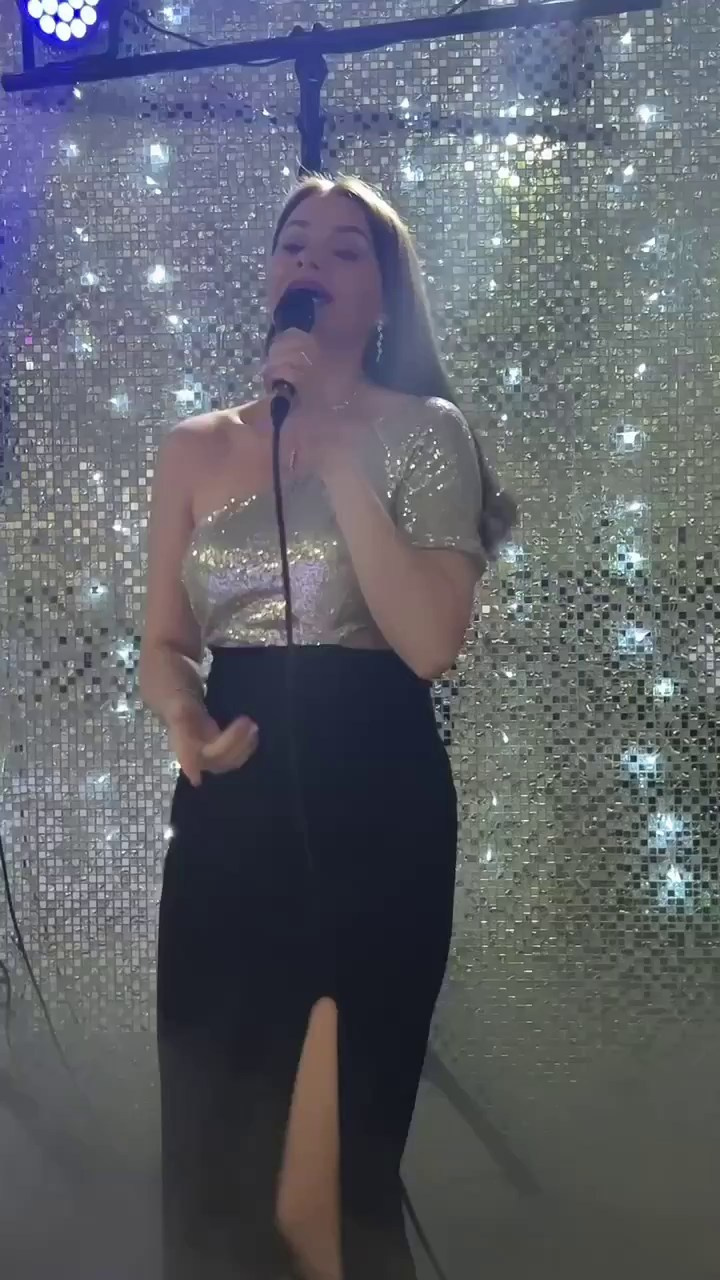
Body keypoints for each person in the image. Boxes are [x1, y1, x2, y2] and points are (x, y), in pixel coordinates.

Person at [139, 173, 515, 1280]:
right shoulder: (194, 446)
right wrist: (184, 717)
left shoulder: (428, 433)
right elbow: (165, 641)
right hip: (229, 812)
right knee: (219, 1149)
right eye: (293, 242)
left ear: (385, 294)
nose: (309, 260)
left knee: (331, 1169)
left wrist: (339, 453)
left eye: (346, 249)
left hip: (375, 799)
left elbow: (430, 641)